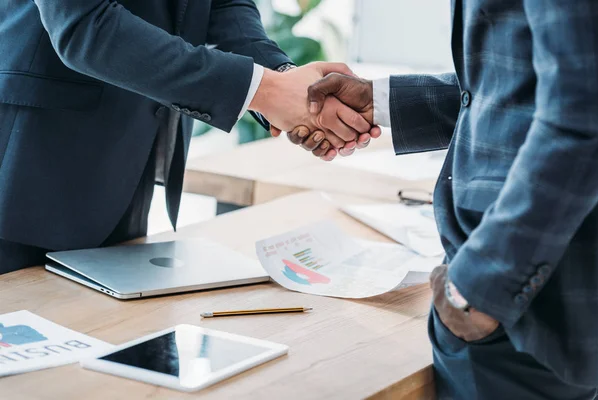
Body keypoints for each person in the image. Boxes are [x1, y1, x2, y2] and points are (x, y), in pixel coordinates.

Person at [292, 0, 598, 398]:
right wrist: (380, 101)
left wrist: (478, 287)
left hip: (524, 300)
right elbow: (519, 88)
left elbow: (582, 111)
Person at [0, 0, 377, 274]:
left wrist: (283, 78)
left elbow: (223, 5)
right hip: (27, 160)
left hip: (126, 156)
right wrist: (270, 90)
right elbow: (85, 26)